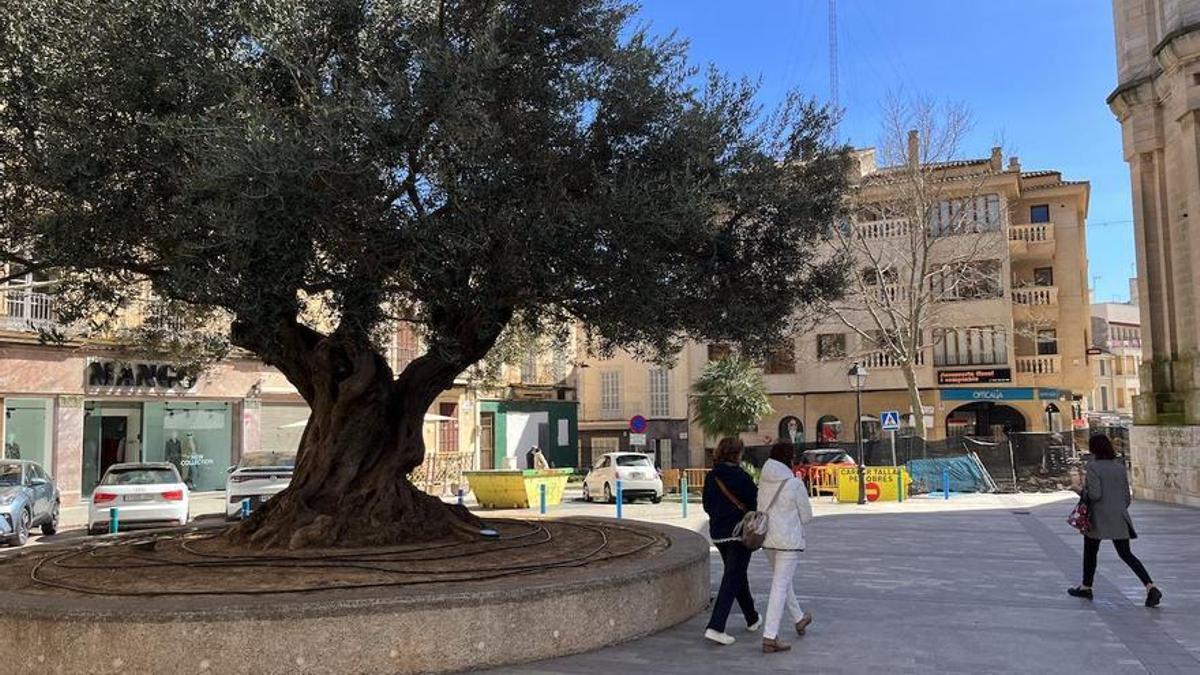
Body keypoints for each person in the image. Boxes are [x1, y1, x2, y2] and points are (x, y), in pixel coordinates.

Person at [1067, 434, 1162, 607]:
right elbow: (1126, 497)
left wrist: (1079, 490)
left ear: (1094, 448)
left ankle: (1086, 587)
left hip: (1097, 519)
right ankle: (1150, 586)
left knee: (1090, 553)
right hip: (1119, 517)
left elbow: (1095, 495)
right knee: (1126, 554)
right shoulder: (1119, 468)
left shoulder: (1093, 467)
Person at [701, 437, 760, 646]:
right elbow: (755, 503)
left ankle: (752, 617)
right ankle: (716, 626)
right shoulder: (742, 477)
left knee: (736, 574)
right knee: (733, 576)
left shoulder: (711, 477)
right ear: (737, 454)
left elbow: (706, 505)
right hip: (739, 535)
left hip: (717, 534)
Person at [757, 440, 814, 653]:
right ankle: (770, 636)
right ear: (789, 459)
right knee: (780, 585)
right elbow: (807, 517)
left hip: (766, 539)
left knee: (782, 581)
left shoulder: (764, 479)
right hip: (788, 542)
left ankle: (798, 618)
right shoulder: (794, 483)